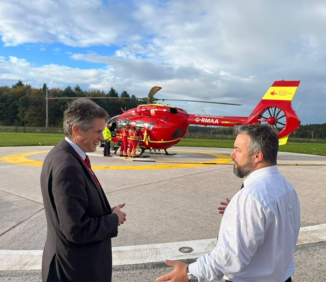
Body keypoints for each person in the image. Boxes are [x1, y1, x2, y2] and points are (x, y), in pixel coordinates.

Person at [156, 124, 301, 282]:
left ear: (257, 156)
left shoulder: (251, 197)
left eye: (238, 150)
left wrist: (189, 273)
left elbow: (231, 257)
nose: (232, 154)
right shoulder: (287, 187)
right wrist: (238, 214)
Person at [40, 98, 127, 282]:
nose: (102, 138)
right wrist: (112, 220)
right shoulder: (67, 165)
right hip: (75, 271)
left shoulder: (63, 156)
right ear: (76, 130)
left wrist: (105, 213)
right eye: (97, 132)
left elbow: (73, 213)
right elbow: (75, 229)